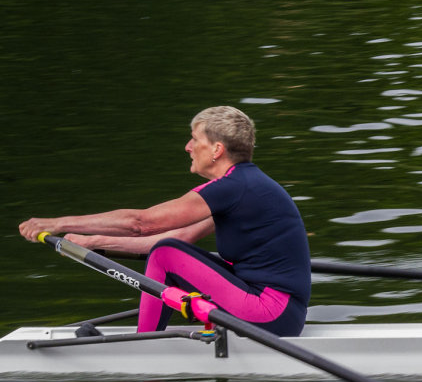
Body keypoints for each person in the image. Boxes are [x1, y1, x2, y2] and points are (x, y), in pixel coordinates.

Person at [19, 106, 311, 336]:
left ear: (217, 150)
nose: (187, 146)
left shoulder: (234, 187)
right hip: (280, 312)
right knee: (168, 250)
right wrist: (92, 242)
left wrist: (57, 223)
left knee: (166, 253)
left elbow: (141, 223)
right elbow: (173, 240)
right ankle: (148, 340)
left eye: (195, 139)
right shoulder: (243, 188)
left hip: (269, 312)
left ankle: (142, 346)